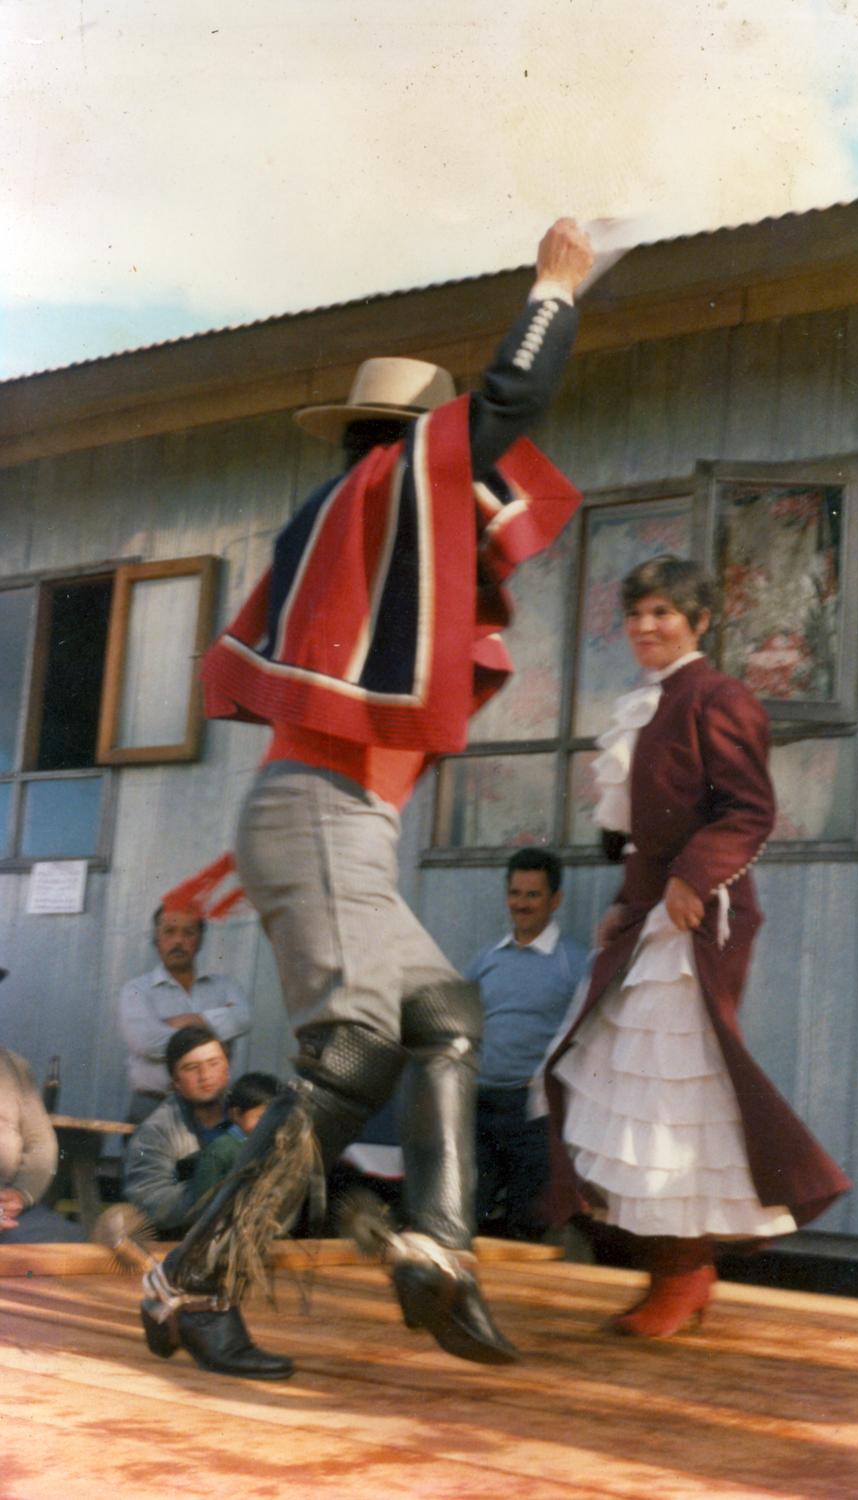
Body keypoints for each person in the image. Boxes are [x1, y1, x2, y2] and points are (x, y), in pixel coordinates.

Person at [135, 216, 595, 1381]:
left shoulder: (356, 533)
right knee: (351, 1057)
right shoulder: (392, 493)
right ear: (409, 446)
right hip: (321, 821)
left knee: (443, 1015)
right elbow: (500, 409)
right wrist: (551, 292)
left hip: (338, 829)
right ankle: (189, 1281)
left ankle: (439, 1249)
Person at [545, 556, 851, 1338]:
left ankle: (685, 1276)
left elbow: (747, 813)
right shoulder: (647, 704)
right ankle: (677, 1272)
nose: (646, 627)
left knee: (679, 1091)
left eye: (663, 613)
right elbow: (642, 832)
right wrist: (626, 900)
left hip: (702, 916)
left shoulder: (719, 697)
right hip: (656, 912)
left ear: (701, 621)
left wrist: (687, 881)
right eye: (637, 613)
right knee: (619, 1082)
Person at [467, 848, 589, 1240]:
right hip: (480, 1105)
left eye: (533, 895)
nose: (521, 904)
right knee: (470, 1214)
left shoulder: (576, 963)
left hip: (534, 1113)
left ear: (555, 900)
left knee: (530, 1223)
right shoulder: (487, 958)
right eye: (515, 893)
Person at [118, 902, 252, 1124]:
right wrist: (214, 1032)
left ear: (200, 939)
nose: (178, 941)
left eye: (188, 932)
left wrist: (190, 1020)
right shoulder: (137, 990)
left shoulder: (225, 986)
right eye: (169, 932)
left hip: (213, 1109)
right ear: (156, 938)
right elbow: (146, 1042)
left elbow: (243, 1018)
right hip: (154, 1105)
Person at [123, 1025, 234, 1235]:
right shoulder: (156, 1132)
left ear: (227, 1070)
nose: (205, 1075)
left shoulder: (253, 1113)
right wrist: (216, 1186)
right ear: (175, 1082)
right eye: (191, 1068)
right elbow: (149, 1203)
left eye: (213, 1063)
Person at [0, 1047, 85, 1243]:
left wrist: (20, 1195)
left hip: (9, 1207)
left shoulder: (13, 1066)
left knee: (74, 1242)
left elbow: (42, 1142)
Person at [187, 1071, 281, 1205]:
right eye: (261, 1118)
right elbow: (204, 1199)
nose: (270, 1125)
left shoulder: (274, 1146)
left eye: (276, 1118)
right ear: (236, 1115)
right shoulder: (222, 1149)